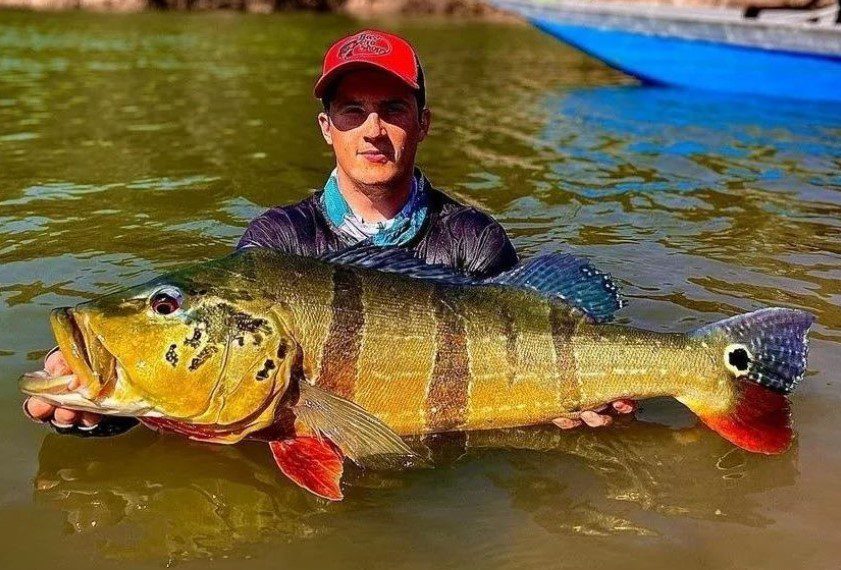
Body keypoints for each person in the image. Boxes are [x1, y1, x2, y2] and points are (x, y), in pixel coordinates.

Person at [23, 30, 633, 437]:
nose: (372, 129)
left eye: (393, 109)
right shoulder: (278, 240)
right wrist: (115, 405)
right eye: (352, 111)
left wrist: (570, 402)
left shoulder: (473, 240)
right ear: (326, 128)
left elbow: (534, 342)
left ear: (423, 123)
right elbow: (230, 377)